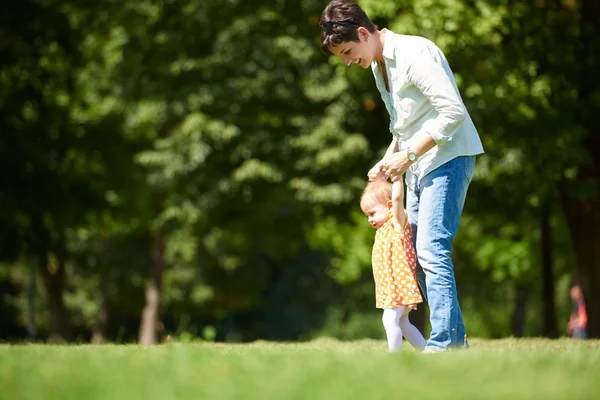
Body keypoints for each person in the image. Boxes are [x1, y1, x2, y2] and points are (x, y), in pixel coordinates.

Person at [320, 0, 484, 352]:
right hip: (420, 164)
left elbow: (453, 111)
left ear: (364, 33)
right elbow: (404, 125)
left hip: (449, 157)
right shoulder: (379, 67)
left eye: (349, 51)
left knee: (431, 250)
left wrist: (408, 155)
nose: (348, 61)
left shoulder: (413, 53)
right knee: (420, 255)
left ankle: (442, 346)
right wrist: (388, 157)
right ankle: (457, 344)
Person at [360, 165, 426, 352]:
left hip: (400, 286)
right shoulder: (382, 230)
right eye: (367, 216)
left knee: (389, 320)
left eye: (372, 213)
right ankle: (426, 349)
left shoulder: (396, 223)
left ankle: (394, 357)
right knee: (403, 323)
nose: (370, 220)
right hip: (392, 287)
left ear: (389, 206)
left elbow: (397, 198)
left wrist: (397, 177)